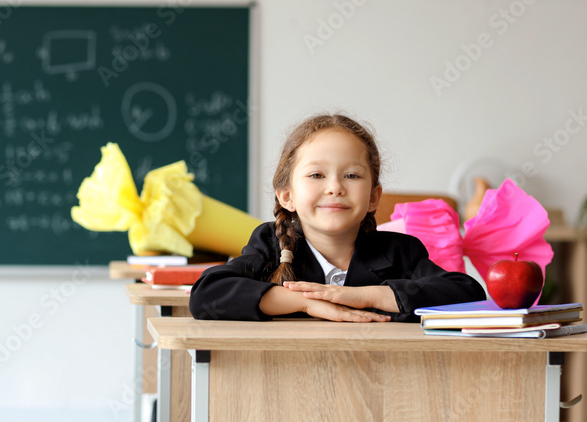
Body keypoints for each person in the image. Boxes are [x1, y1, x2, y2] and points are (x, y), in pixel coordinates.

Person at [189, 113, 484, 322]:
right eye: (316, 174)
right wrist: (307, 304)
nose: (335, 188)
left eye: (352, 175)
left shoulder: (400, 252)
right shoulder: (270, 245)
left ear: (373, 197)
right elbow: (207, 294)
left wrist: (364, 296)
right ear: (286, 196)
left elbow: (467, 293)